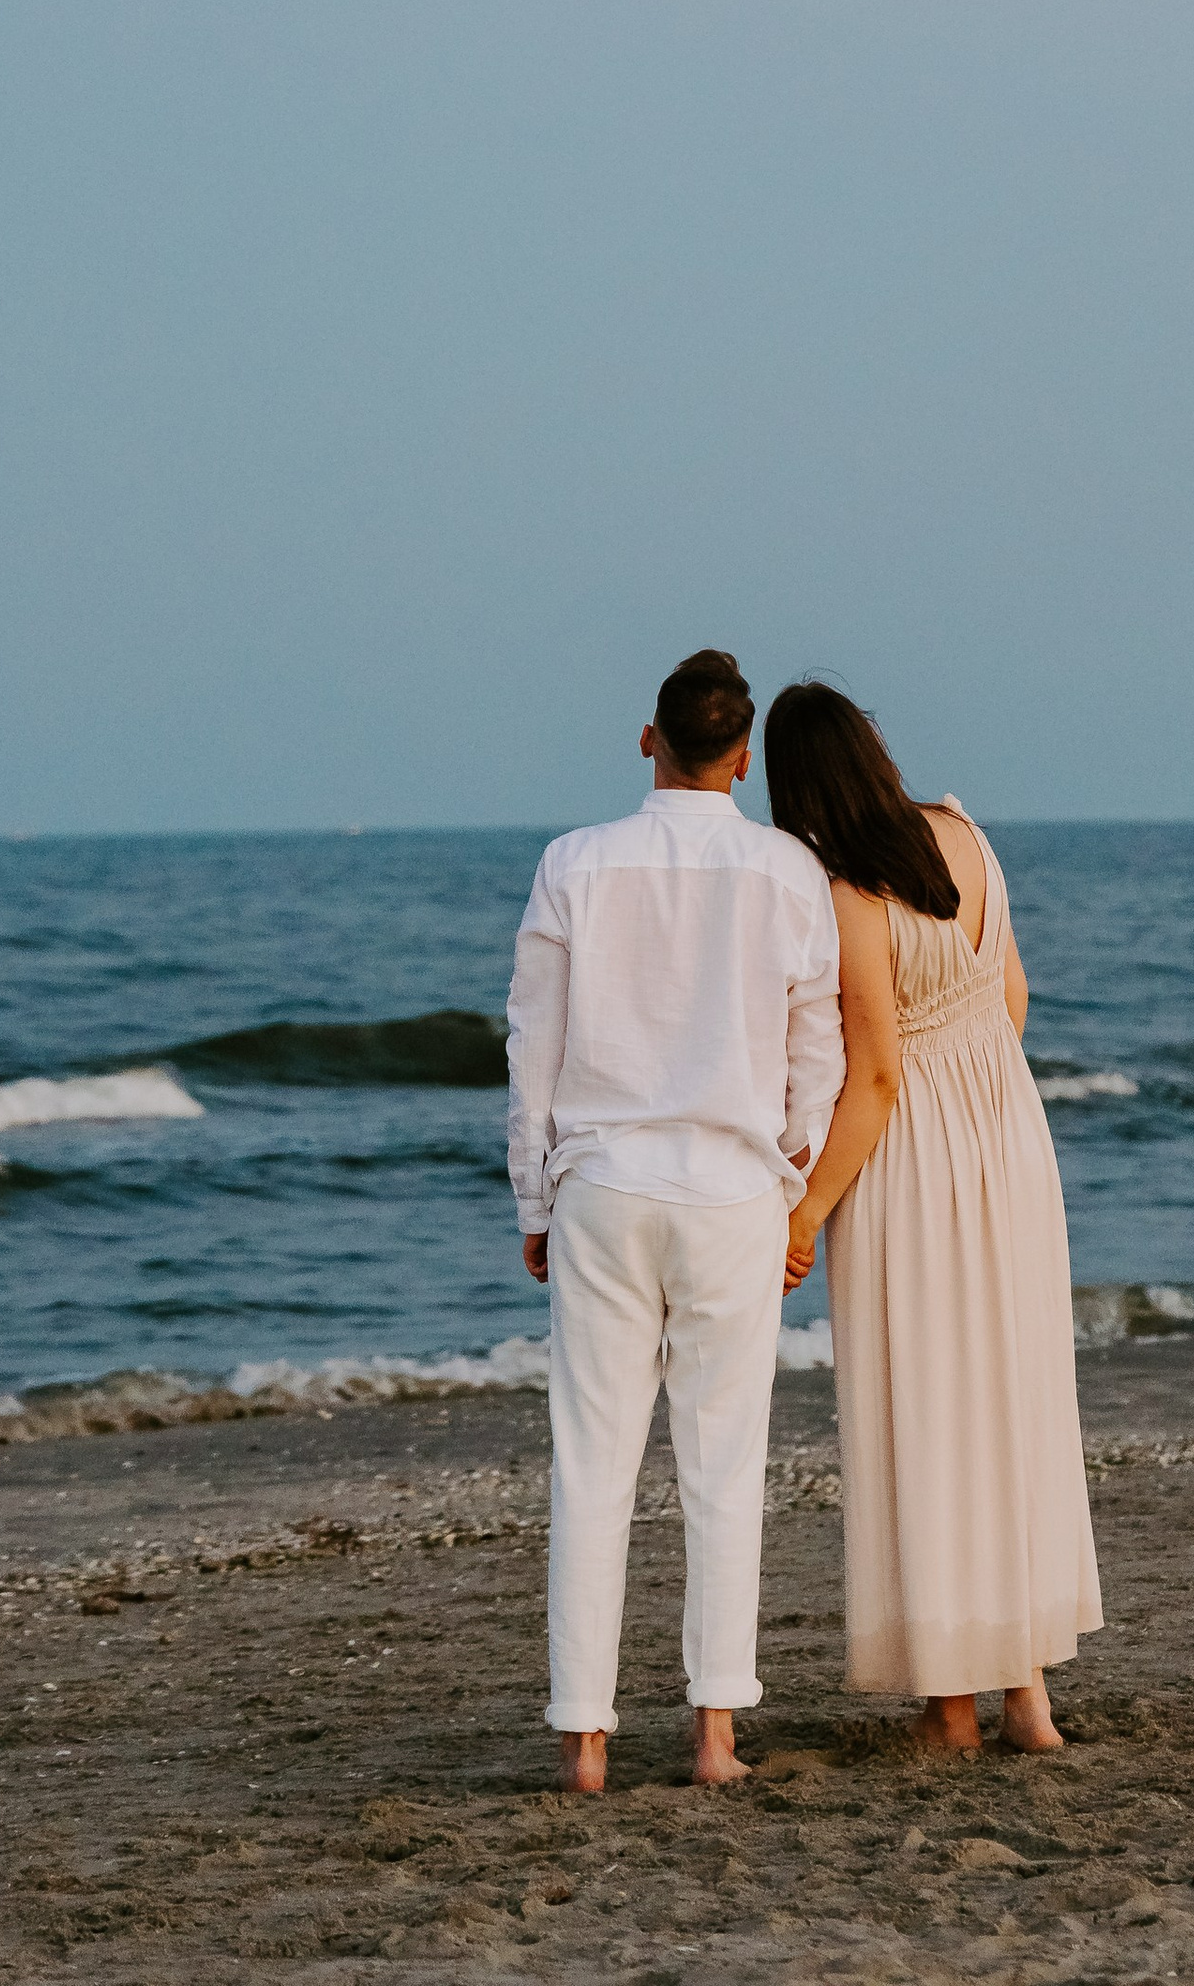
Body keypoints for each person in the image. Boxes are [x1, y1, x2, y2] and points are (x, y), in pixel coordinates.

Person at [507, 647, 843, 1792]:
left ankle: (585, 1740)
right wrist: (792, 1177)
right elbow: (818, 1047)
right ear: (741, 759)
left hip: (604, 1186)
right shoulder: (786, 870)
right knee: (722, 1467)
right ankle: (712, 1736)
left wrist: (533, 1194)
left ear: (647, 739)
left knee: (591, 1464)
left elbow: (532, 1046)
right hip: (734, 1193)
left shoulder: (574, 864)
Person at [762, 679, 1102, 1753]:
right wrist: (980, 1082)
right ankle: (1028, 1701)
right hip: (1010, 1139)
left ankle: (952, 1710)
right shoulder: (966, 834)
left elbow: (872, 1079)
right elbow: (1012, 999)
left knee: (930, 1413)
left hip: (915, 1163)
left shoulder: (846, 889)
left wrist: (806, 1212)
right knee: (1015, 1405)